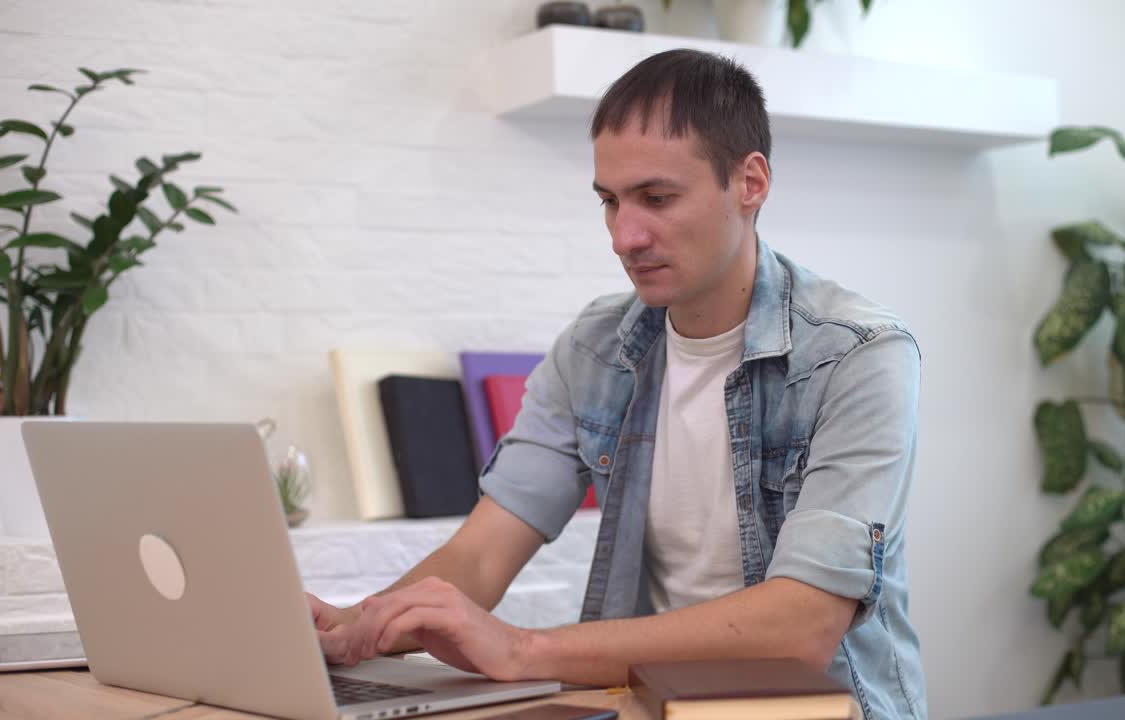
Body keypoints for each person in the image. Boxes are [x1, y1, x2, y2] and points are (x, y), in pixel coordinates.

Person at [307, 48, 927, 720]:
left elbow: (799, 628)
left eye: (657, 198)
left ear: (749, 183)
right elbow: (484, 553)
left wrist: (521, 649)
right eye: (610, 201)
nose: (624, 237)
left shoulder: (859, 355)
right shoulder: (595, 349)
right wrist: (353, 628)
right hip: (648, 706)